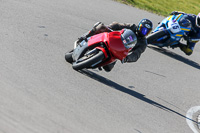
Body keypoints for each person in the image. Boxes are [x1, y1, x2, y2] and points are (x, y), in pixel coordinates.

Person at [77, 19, 153, 72]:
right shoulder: (132, 26)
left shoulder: (143, 43)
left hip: (119, 51)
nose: (144, 32)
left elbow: (136, 55)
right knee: (100, 27)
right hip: (114, 40)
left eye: (146, 31)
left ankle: (95, 62)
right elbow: (118, 25)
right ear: (139, 26)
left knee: (108, 68)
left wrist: (127, 58)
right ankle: (85, 36)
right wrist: (110, 27)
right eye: (142, 29)